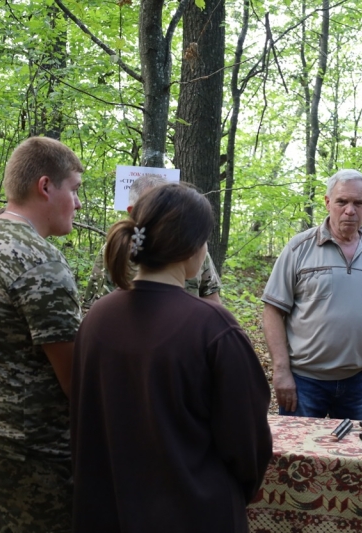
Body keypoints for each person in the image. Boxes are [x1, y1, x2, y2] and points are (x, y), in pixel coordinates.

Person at [72, 182, 272, 532]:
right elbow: (248, 443)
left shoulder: (96, 318)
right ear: (194, 246)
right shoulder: (213, 328)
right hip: (195, 513)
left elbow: (83, 421)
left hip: (110, 510)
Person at [0, 137, 83, 533]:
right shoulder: (39, 261)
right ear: (46, 186)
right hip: (40, 463)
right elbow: (76, 382)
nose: (79, 204)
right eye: (75, 190)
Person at [262, 169, 362, 420]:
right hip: (304, 382)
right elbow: (273, 310)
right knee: (300, 455)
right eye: (342, 201)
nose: (350, 210)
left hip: (358, 383)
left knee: (356, 458)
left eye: (358, 203)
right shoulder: (299, 248)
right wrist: (281, 370)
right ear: (328, 202)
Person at [82, 174, 222, 312]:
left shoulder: (192, 249)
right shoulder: (117, 248)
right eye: (152, 208)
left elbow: (212, 299)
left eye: (166, 209)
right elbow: (98, 307)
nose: (160, 215)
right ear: (132, 211)